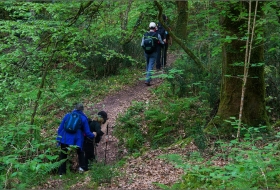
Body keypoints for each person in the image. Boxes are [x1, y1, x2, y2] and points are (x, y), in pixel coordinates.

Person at [56, 103, 96, 176]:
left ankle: (61, 173)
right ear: (82, 110)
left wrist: (59, 138)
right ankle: (82, 168)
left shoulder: (67, 115)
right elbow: (87, 132)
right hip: (77, 139)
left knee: (63, 155)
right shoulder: (83, 118)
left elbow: (60, 129)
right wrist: (93, 135)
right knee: (80, 153)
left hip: (64, 138)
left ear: (74, 108)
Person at [141, 22, 165, 86]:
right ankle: (147, 80)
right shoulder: (157, 34)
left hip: (146, 52)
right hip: (154, 52)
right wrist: (163, 44)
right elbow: (161, 42)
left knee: (148, 64)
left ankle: (147, 77)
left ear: (149, 27)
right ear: (155, 28)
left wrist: (145, 49)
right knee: (151, 66)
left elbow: (142, 44)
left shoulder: (145, 34)